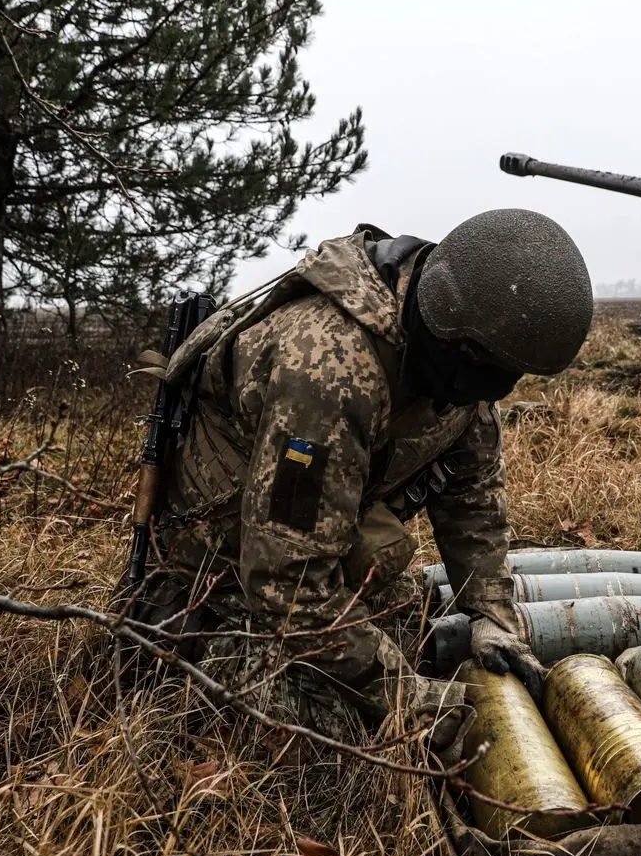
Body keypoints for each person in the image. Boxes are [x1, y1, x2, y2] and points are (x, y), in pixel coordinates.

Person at [132, 209, 594, 743]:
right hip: (220, 562)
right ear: (462, 345)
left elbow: (472, 494)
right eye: (497, 372)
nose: (500, 390)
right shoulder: (329, 370)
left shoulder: (453, 352)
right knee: (338, 725)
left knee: (408, 624)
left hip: (305, 532)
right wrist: (404, 695)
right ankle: (203, 648)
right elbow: (287, 584)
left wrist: (489, 612)